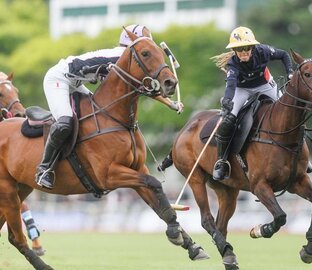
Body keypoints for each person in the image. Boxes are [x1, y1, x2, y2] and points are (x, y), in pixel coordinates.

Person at [36, 24, 183, 189]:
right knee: (65, 122)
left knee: (97, 115)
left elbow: (143, 88)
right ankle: (44, 169)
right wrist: (170, 103)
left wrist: (171, 103)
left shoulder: (131, 60)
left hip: (76, 83)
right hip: (59, 78)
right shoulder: (122, 57)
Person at [210, 26, 295, 181]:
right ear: (234, 50)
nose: (243, 52)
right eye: (239, 49)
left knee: (287, 111)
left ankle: (301, 151)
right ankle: (221, 161)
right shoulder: (232, 64)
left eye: (246, 48)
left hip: (265, 84)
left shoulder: (263, 51)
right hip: (242, 89)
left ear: (253, 47)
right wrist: (228, 100)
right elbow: (231, 84)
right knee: (228, 119)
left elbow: (283, 55)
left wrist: (290, 72)